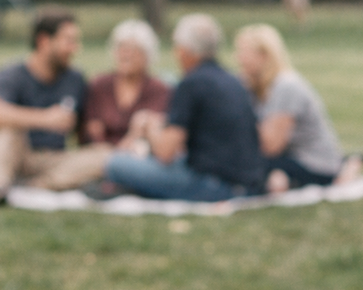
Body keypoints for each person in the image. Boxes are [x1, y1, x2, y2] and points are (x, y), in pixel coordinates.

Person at [105, 13, 265, 201]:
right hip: (249, 183)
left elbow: (165, 153)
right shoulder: (233, 81)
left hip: (215, 186)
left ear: (185, 50)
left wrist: (149, 127)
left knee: (116, 163)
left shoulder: (191, 83)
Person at [0, 8, 108, 201]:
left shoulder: (75, 78)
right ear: (44, 41)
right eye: (69, 41)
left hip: (55, 159)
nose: (75, 48)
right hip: (20, 153)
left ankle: (38, 186)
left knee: (105, 156)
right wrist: (46, 119)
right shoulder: (12, 74)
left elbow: (85, 128)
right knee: (5, 134)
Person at [234, 24, 363, 192]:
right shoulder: (254, 87)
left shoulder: (285, 86)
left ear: (264, 55)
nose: (238, 59)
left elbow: (271, 147)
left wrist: (238, 105)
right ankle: (280, 178)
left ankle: (349, 165)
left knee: (242, 164)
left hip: (315, 163)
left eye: (244, 53)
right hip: (290, 156)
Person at [84, 19, 171, 151]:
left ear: (148, 55)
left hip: (139, 158)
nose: (125, 54)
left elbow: (157, 131)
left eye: (133, 49)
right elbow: (92, 129)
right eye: (121, 47)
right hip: (100, 154)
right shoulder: (100, 84)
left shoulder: (158, 89)